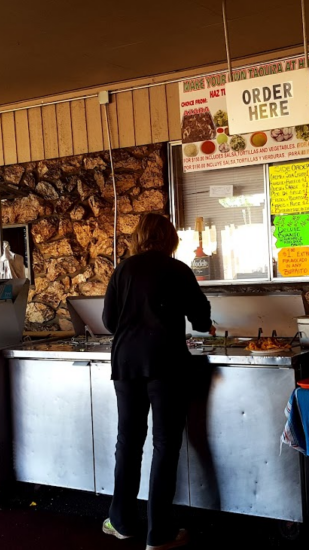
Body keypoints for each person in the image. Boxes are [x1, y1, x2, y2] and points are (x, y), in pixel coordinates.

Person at [101, 214, 213, 550]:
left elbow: (109, 320)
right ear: (170, 239)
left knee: (128, 442)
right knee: (165, 444)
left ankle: (121, 522)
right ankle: (159, 534)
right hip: (166, 363)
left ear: (138, 237)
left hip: (126, 363)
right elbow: (201, 319)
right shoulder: (177, 270)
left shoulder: (123, 270)